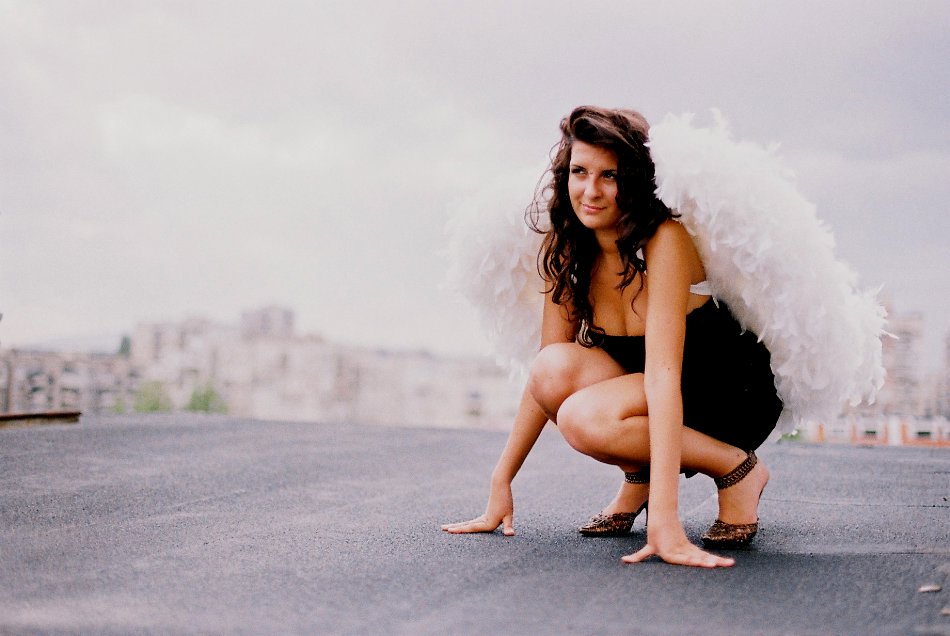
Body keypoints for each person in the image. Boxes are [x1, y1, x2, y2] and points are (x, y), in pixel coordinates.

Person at [441, 106, 783, 568]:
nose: (591, 191)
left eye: (610, 176)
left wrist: (666, 521)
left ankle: (736, 468)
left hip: (724, 391)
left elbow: (663, 376)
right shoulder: (568, 247)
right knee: (552, 368)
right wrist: (501, 480)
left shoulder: (663, 239)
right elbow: (543, 380)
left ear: (635, 180)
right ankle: (640, 477)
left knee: (585, 419)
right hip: (649, 392)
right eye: (580, 172)